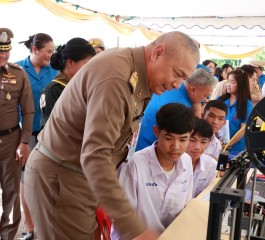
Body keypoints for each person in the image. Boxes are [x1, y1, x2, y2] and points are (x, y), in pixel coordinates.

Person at [24, 31, 200, 240]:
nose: (176, 84)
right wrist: (134, 227)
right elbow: (95, 156)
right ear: (158, 53)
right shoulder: (116, 77)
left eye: (184, 79)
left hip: (80, 178)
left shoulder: (137, 74)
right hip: (64, 179)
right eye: (177, 74)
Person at [111, 103, 195, 239]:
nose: (176, 146)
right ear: (156, 132)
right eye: (168, 138)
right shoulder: (134, 165)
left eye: (183, 139)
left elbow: (185, 209)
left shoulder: (186, 162)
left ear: (190, 135)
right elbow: (122, 218)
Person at [16, 33, 58, 240]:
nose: (51, 55)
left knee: (47, 181)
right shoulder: (16, 69)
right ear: (34, 50)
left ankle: (45, 226)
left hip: (51, 136)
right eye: (47, 51)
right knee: (26, 180)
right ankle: (29, 227)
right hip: (25, 135)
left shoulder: (56, 71)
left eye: (52, 51)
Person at [0, 28, 34, 240]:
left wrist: (24, 142)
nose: (3, 57)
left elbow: (28, 109)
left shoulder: (18, 74)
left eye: (6, 53)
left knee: (11, 192)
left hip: (11, 140)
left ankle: (7, 235)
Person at [136, 68, 216, 151]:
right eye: (205, 96)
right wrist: (197, 108)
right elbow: (195, 134)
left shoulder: (173, 85)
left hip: (141, 142)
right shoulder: (182, 107)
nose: (205, 100)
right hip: (154, 151)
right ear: (193, 90)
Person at [40, 37, 96, 128]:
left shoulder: (85, 86)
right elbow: (49, 129)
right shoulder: (52, 91)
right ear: (70, 62)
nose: (90, 69)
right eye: (87, 64)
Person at [220, 69, 253, 158]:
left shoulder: (247, 105)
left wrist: (228, 144)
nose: (228, 85)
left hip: (235, 150)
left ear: (241, 85)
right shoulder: (220, 100)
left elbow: (243, 129)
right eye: (228, 81)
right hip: (218, 146)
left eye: (232, 82)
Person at [186, 117, 217, 197]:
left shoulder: (211, 165)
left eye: (203, 142)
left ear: (209, 142)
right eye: (192, 140)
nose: (197, 147)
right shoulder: (173, 163)